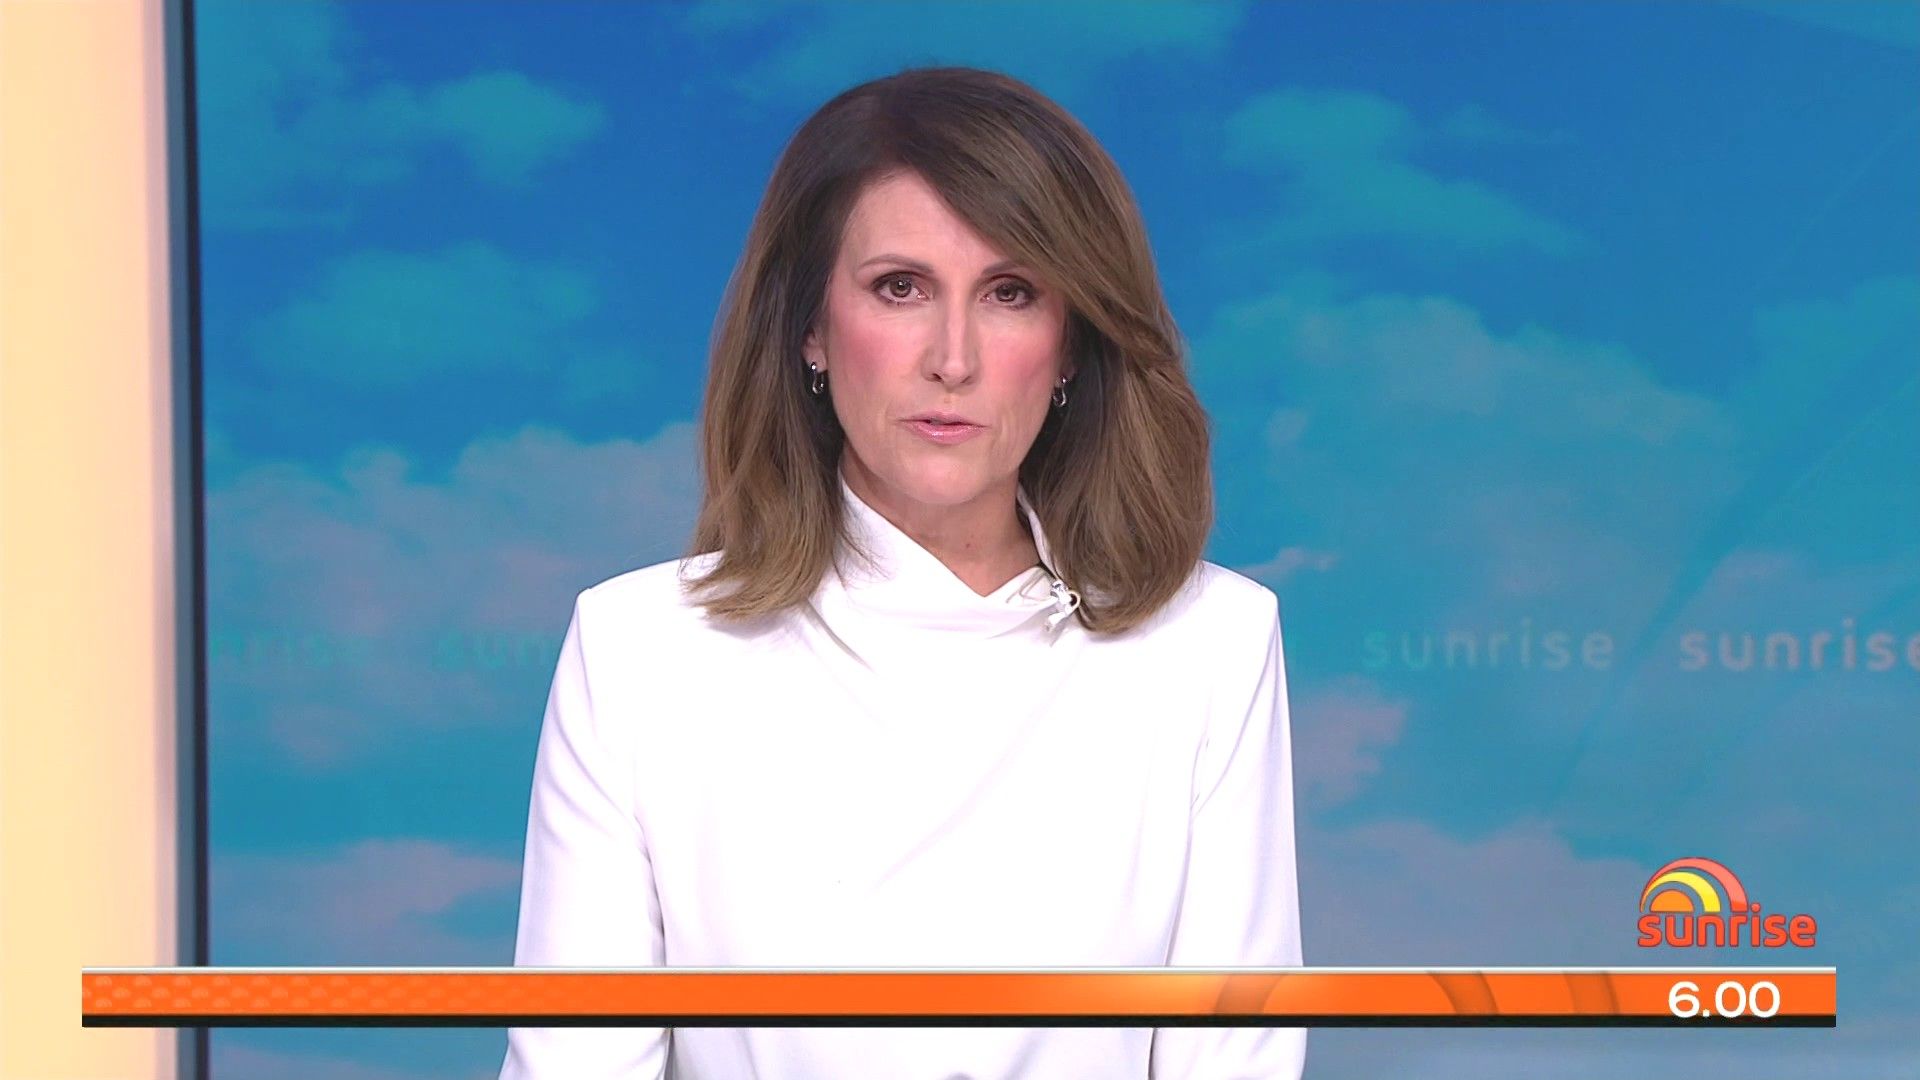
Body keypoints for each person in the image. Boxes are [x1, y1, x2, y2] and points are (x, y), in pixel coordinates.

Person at [500, 65, 1305, 1079]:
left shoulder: (1212, 642)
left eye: (1010, 293)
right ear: (809, 329)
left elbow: (1234, 1059)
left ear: (1070, 344)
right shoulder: (639, 649)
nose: (952, 359)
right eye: (900, 288)